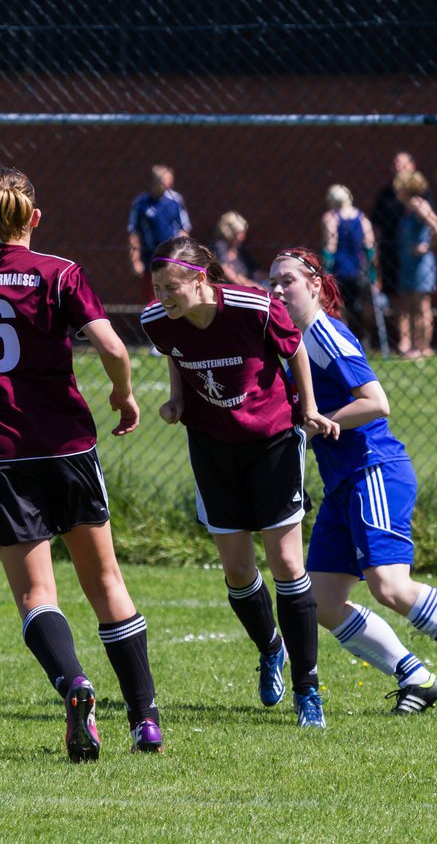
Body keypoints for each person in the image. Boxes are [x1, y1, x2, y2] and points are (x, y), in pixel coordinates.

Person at [0, 167, 162, 761]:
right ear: (35, 217)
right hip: (67, 446)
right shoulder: (60, 273)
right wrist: (123, 395)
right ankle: (145, 721)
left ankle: (74, 684)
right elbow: (111, 346)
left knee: (36, 595)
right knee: (106, 583)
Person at [269, 246, 437, 717]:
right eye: (273, 282)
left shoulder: (324, 334)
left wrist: (316, 421)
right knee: (321, 601)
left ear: (315, 285)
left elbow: (377, 402)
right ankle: (416, 677)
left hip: (374, 471)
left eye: (288, 280)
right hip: (343, 483)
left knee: (390, 585)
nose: (278, 289)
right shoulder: (295, 340)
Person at [141, 236, 340, 729]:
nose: (163, 297)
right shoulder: (157, 321)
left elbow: (294, 352)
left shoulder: (255, 306)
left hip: (271, 442)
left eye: (172, 288)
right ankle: (271, 648)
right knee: (236, 571)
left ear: (201, 280)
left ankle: (307, 690)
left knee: (288, 563)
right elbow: (174, 351)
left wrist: (310, 410)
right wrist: (177, 400)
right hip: (211, 446)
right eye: (157, 288)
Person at [393, 171, 437, 359]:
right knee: (406, 304)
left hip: (421, 264)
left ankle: (422, 347)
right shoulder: (406, 208)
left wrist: (426, 246)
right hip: (407, 262)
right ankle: (408, 345)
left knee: (421, 305)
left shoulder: (418, 205)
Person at [320, 184, 378, 348]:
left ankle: (343, 339)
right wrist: (372, 270)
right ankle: (364, 338)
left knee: (339, 305)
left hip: (340, 269)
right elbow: (370, 245)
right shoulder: (362, 217)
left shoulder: (331, 217)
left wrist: (324, 268)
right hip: (360, 269)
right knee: (360, 305)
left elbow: (330, 245)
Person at [127, 164, 191, 304]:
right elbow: (134, 233)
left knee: (176, 297)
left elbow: (184, 229)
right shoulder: (141, 203)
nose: (170, 184)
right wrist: (135, 260)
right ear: (155, 181)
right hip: (149, 258)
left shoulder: (176, 200)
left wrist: (183, 257)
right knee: (152, 301)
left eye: (170, 180)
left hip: (173, 259)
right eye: (165, 180)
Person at [370, 152, 415, 341]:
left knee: (417, 297)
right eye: (396, 163)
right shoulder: (385, 194)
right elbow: (376, 226)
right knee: (397, 297)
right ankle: (404, 340)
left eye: (403, 163)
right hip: (392, 252)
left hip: (413, 253)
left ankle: (420, 343)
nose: (399, 167)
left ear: (412, 166)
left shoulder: (419, 193)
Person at [212, 210, 261, 287]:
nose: (243, 236)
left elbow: (255, 271)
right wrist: (253, 286)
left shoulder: (240, 249)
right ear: (229, 232)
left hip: (249, 285)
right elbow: (228, 273)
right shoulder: (219, 247)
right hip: (230, 288)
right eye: (239, 233)